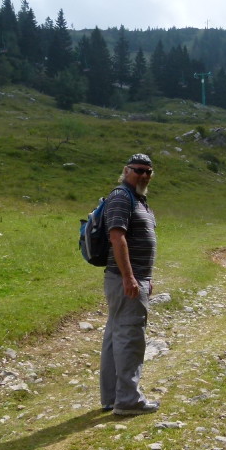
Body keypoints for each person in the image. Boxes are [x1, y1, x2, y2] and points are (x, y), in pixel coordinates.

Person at [100, 153, 159, 416]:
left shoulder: (137, 199)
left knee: (116, 336)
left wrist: (145, 276)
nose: (144, 175)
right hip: (125, 280)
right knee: (130, 337)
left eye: (148, 171)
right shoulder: (121, 197)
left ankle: (113, 398)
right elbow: (117, 237)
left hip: (134, 278)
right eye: (138, 170)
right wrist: (130, 277)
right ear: (126, 171)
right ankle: (127, 400)